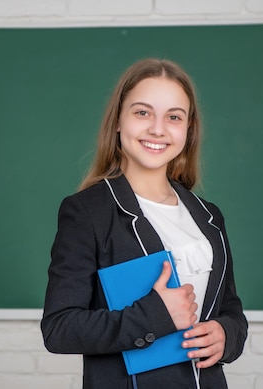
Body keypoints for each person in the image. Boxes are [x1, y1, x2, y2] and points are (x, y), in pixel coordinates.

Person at [41, 58, 247, 389]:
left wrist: (226, 335)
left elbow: (231, 310)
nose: (157, 129)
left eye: (174, 117)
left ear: (188, 129)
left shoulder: (208, 216)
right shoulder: (87, 212)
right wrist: (156, 315)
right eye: (142, 112)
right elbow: (59, 329)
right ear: (118, 121)